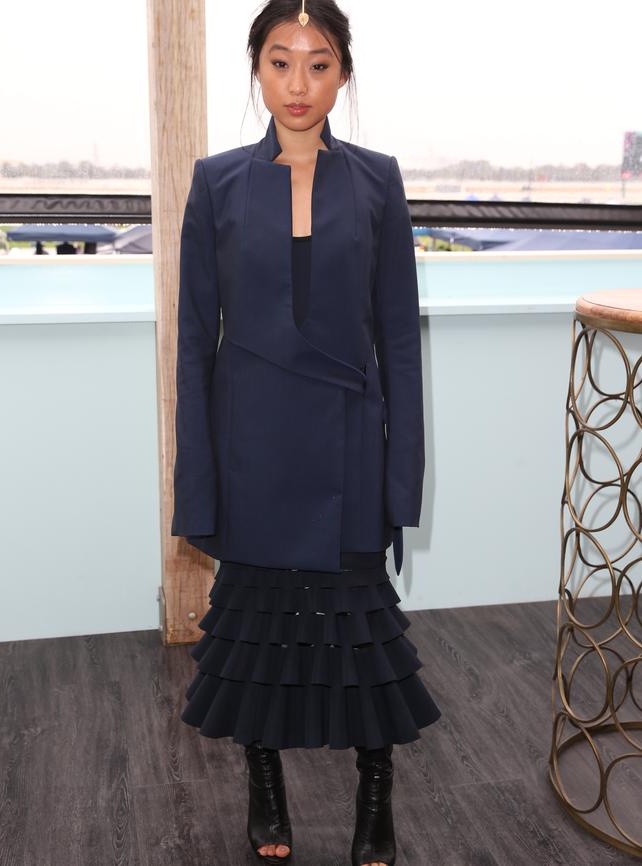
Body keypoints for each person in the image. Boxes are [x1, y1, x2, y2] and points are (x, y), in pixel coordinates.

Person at [172, 2, 442, 864]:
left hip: (347, 449)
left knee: (363, 641)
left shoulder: (377, 180)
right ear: (256, 69)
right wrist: (199, 483)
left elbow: (399, 340)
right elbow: (194, 349)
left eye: (318, 64)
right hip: (252, 447)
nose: (299, 84)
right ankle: (266, 791)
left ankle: (376, 792)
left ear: (343, 73)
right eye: (281, 62)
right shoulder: (215, 182)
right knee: (254, 638)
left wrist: (403, 480)